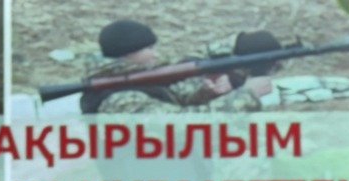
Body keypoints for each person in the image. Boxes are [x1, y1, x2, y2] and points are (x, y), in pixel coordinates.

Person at [82, 21, 280, 115]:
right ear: (127, 53)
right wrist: (247, 95)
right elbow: (185, 127)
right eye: (149, 49)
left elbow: (174, 97)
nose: (155, 54)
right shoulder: (120, 100)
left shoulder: (135, 81)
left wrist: (205, 92)